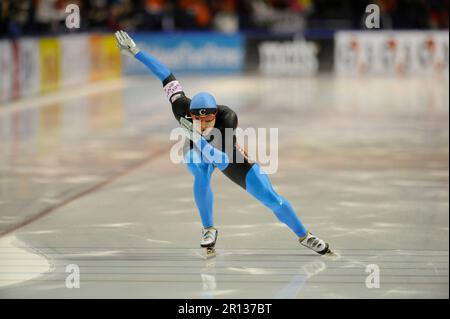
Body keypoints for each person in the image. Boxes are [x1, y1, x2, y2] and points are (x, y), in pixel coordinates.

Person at [114, 30, 333, 257]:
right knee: (199, 169)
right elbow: (166, 75)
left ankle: (304, 235)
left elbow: (221, 159)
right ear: (190, 113)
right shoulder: (181, 107)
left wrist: (198, 137)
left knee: (270, 197)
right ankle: (208, 228)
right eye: (196, 119)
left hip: (224, 151)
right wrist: (136, 52)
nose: (201, 122)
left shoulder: (228, 117)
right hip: (197, 150)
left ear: (215, 114)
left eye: (207, 119)